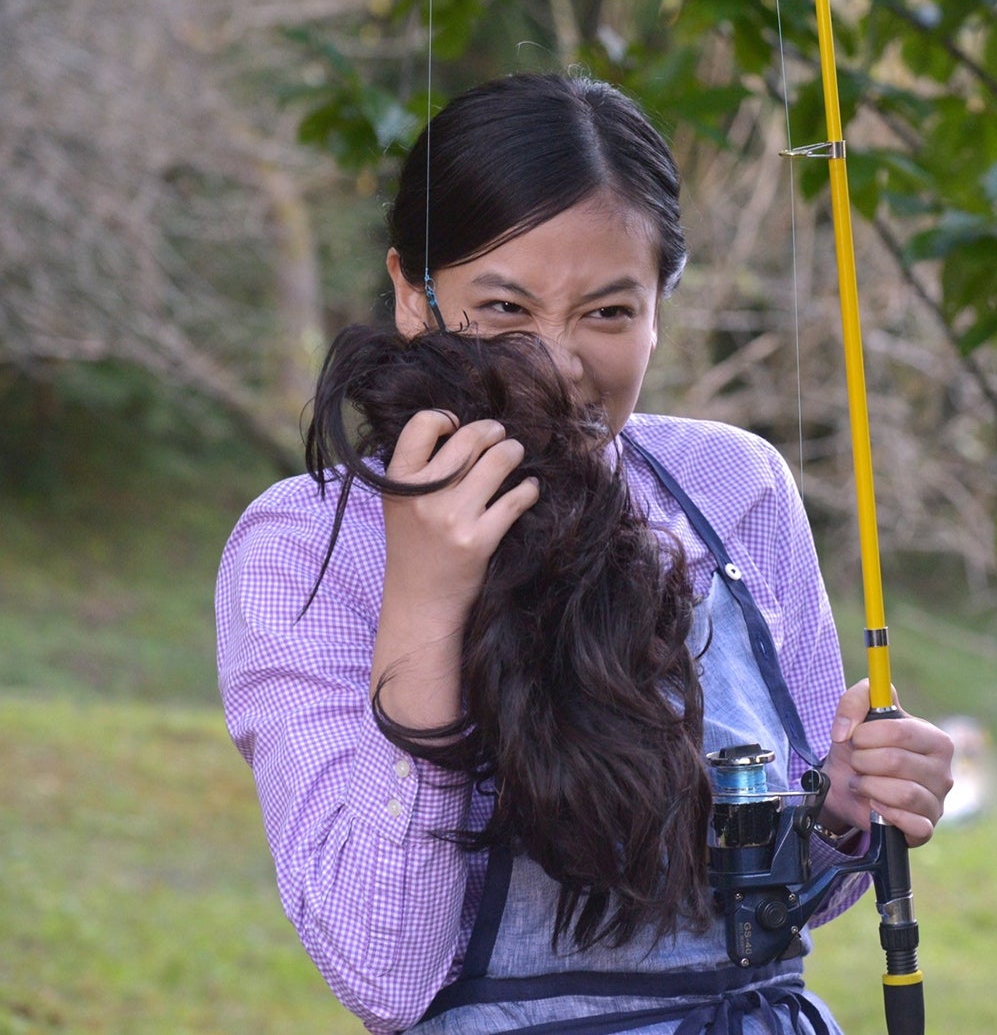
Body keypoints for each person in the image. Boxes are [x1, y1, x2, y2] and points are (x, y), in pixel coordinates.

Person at [216, 72, 955, 1035]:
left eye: (609, 312)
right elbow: (381, 971)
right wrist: (428, 608)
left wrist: (843, 807)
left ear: (659, 308)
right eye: (503, 310)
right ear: (410, 292)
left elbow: (792, 905)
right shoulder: (305, 542)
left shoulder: (739, 486)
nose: (558, 364)